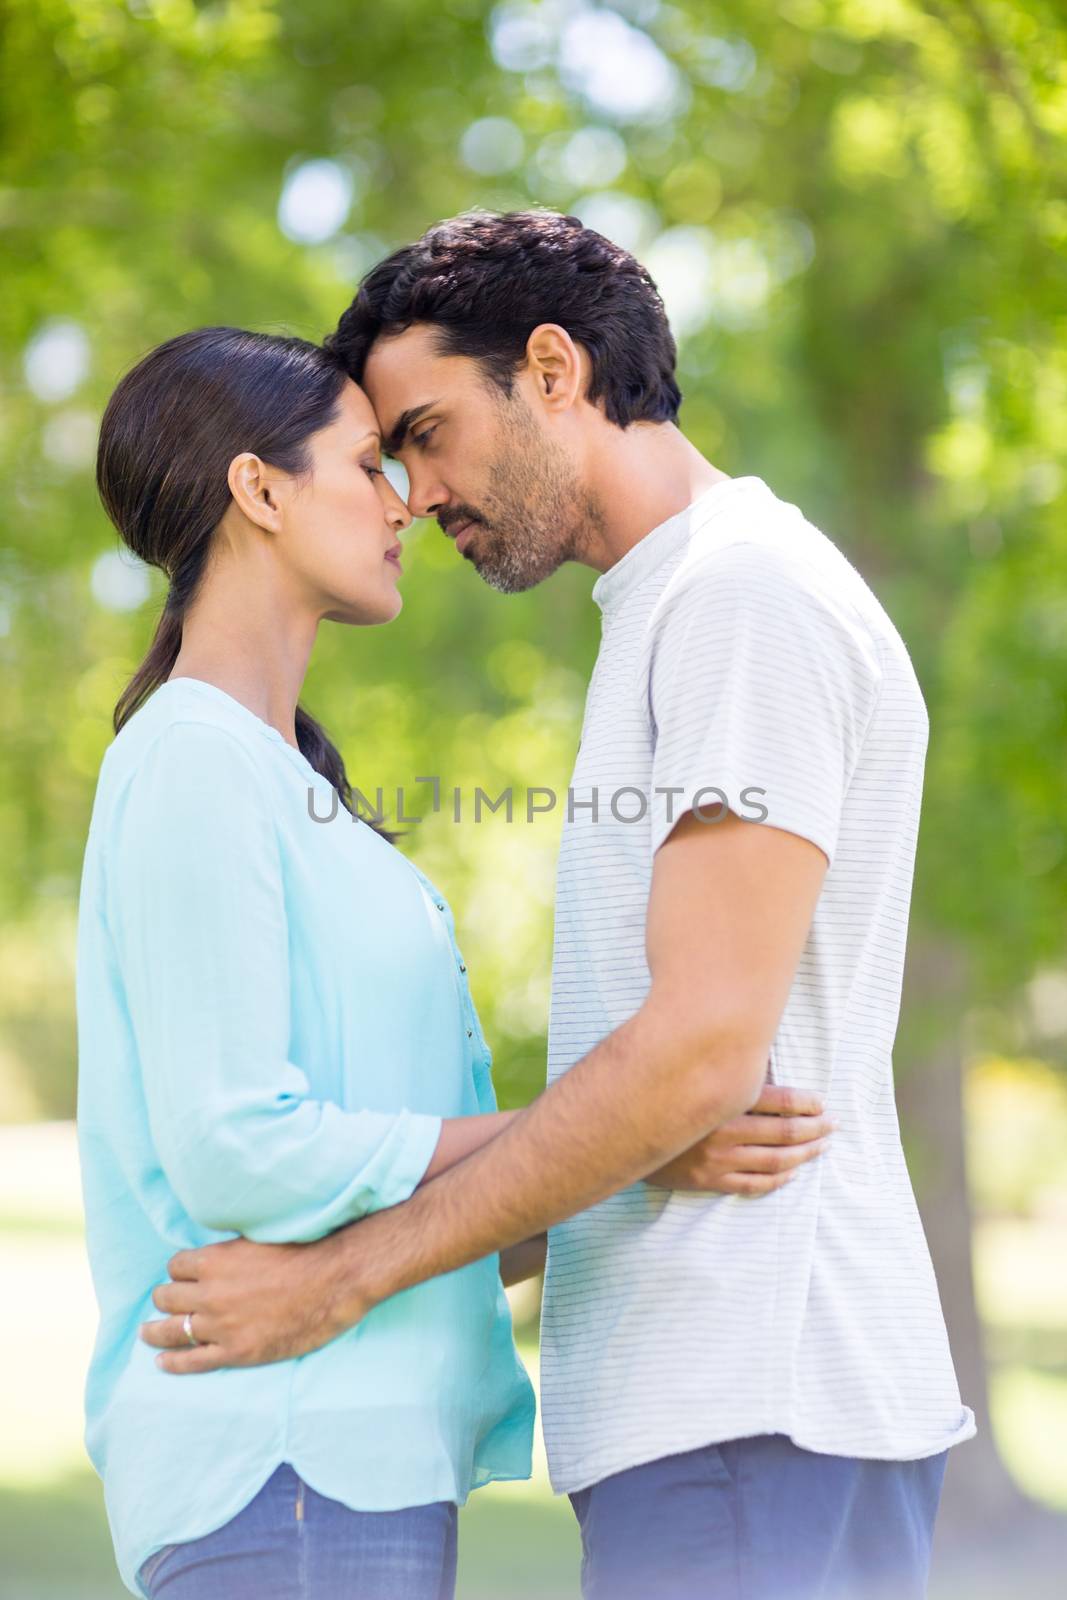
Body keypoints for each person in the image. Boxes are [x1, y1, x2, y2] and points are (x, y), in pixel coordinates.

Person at [144, 211, 977, 1600]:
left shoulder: (738, 600)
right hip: (722, 1420)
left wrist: (342, 1278)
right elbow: (660, 1122)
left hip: (751, 1404)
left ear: (551, 369)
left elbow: (700, 1058)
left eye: (423, 432)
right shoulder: (673, 610)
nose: (410, 493)